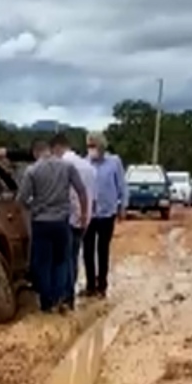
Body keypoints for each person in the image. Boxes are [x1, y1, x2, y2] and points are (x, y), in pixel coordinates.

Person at [17, 139, 88, 314]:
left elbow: (21, 199)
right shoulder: (66, 167)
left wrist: (33, 208)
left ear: (35, 153)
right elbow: (81, 190)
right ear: (49, 150)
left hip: (41, 223)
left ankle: (46, 302)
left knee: (42, 263)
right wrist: (84, 213)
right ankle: (61, 298)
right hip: (61, 222)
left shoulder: (32, 170)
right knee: (61, 261)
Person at [50, 133, 96, 310]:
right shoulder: (89, 167)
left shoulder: (63, 165)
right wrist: (85, 215)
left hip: (67, 217)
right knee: (74, 257)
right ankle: (70, 296)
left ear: (57, 148)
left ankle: (64, 296)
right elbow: (93, 195)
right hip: (85, 218)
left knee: (63, 259)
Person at [82, 131, 126, 298]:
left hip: (107, 213)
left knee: (102, 250)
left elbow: (122, 185)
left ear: (101, 146)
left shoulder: (114, 162)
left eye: (94, 145)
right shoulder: (84, 163)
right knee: (87, 251)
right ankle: (90, 285)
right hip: (89, 214)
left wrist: (123, 206)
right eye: (89, 146)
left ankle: (102, 286)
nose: (91, 149)